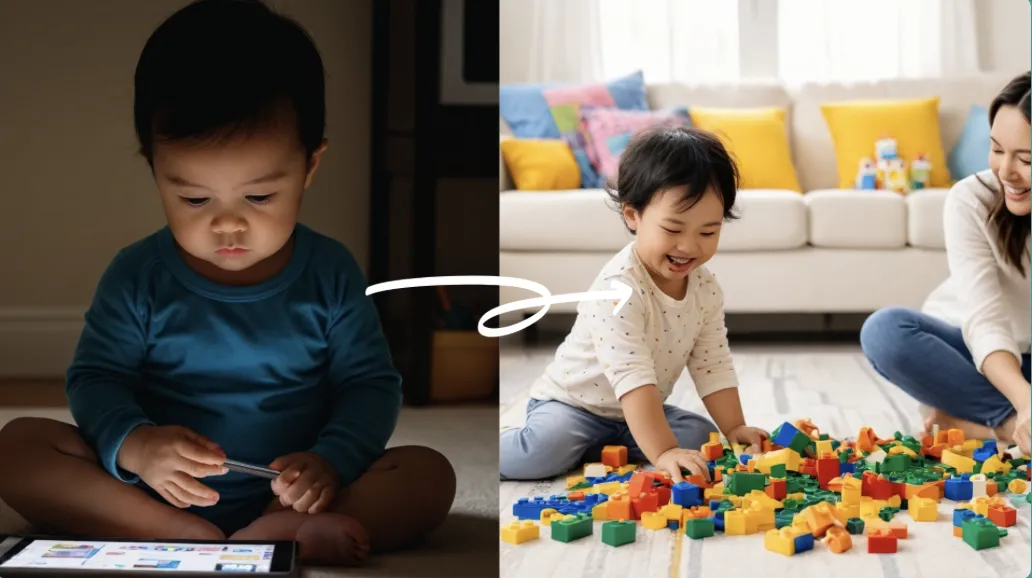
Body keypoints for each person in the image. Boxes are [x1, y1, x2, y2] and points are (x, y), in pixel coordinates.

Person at [0, 0, 455, 567]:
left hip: (294, 487)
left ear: (310, 167)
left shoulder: (330, 272)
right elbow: (97, 378)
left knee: (429, 473)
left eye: (259, 196)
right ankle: (175, 531)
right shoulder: (138, 274)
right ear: (154, 168)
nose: (228, 224)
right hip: (154, 489)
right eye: (194, 198)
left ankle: (281, 527)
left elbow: (368, 385)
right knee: (18, 446)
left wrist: (330, 461)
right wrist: (137, 445)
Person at [500, 126, 768, 482]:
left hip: (637, 412)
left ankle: (607, 447)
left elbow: (712, 363)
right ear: (632, 216)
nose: (689, 246)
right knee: (540, 454)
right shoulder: (618, 288)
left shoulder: (705, 289)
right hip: (574, 405)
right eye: (672, 230)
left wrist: (735, 427)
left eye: (708, 232)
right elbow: (632, 377)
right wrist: (663, 452)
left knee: (705, 440)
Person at [860, 71, 1031, 456]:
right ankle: (1006, 425)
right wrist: (1024, 403)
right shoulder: (973, 198)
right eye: (997, 150)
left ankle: (966, 424)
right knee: (886, 331)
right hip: (976, 354)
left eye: (1026, 159)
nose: (1006, 172)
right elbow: (985, 323)